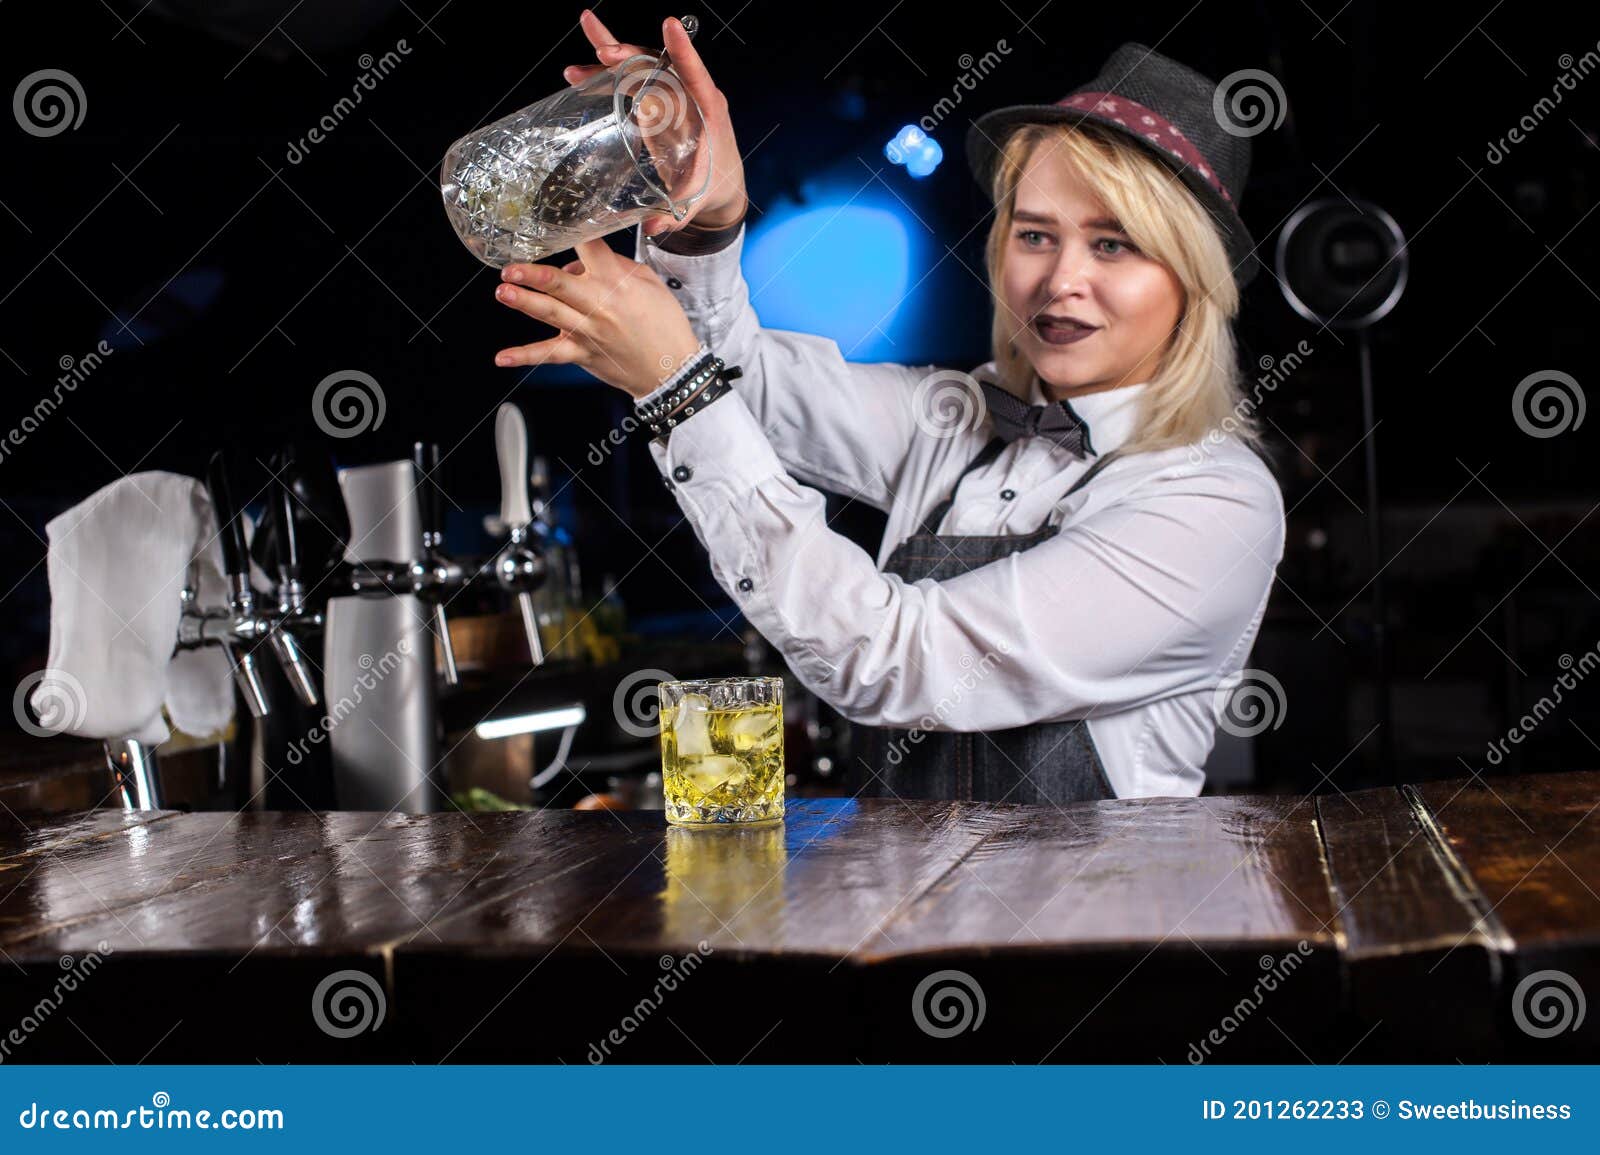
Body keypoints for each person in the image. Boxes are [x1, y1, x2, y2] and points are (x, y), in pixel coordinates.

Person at [491, 11, 1286, 802]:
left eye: (1113, 244)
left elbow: (902, 662)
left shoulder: (1216, 500)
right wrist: (707, 219)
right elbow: (740, 382)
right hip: (905, 920)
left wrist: (676, 389)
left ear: (1193, 279)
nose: (1059, 280)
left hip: (1087, 927)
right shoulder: (959, 418)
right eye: (1036, 235)